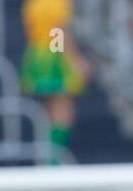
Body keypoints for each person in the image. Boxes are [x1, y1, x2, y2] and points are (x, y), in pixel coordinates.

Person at [19, 0, 89, 158]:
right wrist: (73, 60)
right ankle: (54, 156)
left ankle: (50, 154)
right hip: (53, 55)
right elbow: (58, 32)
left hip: (37, 54)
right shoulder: (56, 2)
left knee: (50, 110)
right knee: (62, 109)